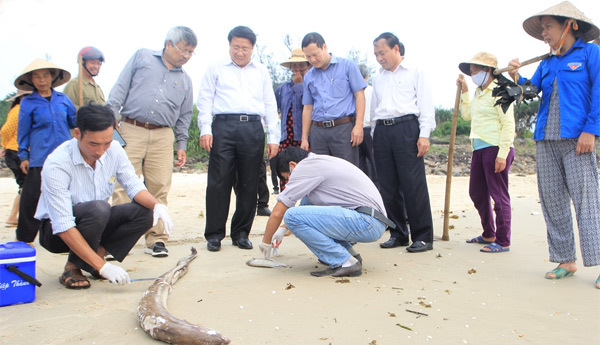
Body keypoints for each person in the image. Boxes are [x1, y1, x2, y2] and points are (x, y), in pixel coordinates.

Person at [507, 2, 600, 288]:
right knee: (553, 201)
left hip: (577, 139)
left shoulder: (590, 53)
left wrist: (591, 131)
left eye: (548, 26)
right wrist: (515, 78)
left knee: (587, 203)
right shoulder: (547, 62)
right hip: (546, 139)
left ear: (569, 25)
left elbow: (599, 92)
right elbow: (532, 91)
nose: (544, 33)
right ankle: (565, 259)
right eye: (543, 28)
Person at [36, 105, 174, 289]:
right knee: (99, 209)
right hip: (55, 232)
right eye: (93, 144)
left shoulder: (114, 150)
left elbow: (133, 186)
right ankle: (73, 267)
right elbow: (62, 224)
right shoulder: (57, 164)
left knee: (145, 212)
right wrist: (105, 267)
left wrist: (157, 205)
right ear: (77, 133)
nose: (100, 151)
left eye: (106, 143)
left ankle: (96, 258)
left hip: (97, 224)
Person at [107, 26, 196, 257]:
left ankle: (157, 239)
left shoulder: (186, 80)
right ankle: (114, 241)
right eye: (183, 50)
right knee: (123, 186)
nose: (186, 56)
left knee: (159, 187)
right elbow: (120, 87)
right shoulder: (142, 57)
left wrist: (182, 145)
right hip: (130, 128)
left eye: (191, 52)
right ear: (168, 45)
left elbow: (185, 116)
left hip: (163, 135)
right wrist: (109, 120)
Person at [197, 26, 279, 252]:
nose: (240, 52)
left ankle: (241, 232)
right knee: (218, 182)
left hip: (253, 128)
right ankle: (214, 234)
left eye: (245, 48)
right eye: (236, 47)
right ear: (229, 45)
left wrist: (273, 137)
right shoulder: (216, 68)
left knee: (249, 182)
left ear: (252, 48)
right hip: (222, 126)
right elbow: (204, 100)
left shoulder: (261, 71)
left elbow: (270, 104)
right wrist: (206, 129)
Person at [258, 147, 394, 277]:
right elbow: (306, 207)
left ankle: (344, 262)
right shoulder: (320, 162)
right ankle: (350, 255)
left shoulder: (305, 167)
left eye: (288, 178)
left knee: (291, 216)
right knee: (307, 201)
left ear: (292, 165)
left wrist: (266, 243)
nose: (290, 182)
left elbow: (278, 212)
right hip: (373, 221)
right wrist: (283, 229)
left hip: (366, 222)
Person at [371, 32, 436, 252]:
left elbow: (426, 106)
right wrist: (374, 134)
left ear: (396, 48)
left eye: (382, 52)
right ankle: (398, 233)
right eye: (376, 54)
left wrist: (424, 133)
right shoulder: (378, 77)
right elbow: (374, 108)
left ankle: (423, 236)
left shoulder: (415, 72)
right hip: (382, 131)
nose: (379, 58)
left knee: (412, 184)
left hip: (407, 128)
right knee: (387, 186)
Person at [457, 52, 516, 253]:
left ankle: (502, 240)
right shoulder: (478, 93)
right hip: (478, 148)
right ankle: (488, 233)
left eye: (476, 71)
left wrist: (502, 154)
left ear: (488, 70)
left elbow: (508, 124)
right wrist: (465, 91)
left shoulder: (501, 90)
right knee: (477, 192)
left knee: (498, 196)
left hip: (495, 147)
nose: (473, 74)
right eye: (471, 72)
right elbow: (466, 116)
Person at [14, 59, 76, 243]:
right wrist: (23, 155)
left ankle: (65, 235)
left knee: (66, 195)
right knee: (31, 197)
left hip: (65, 156)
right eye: (37, 76)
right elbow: (23, 131)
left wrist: (81, 114)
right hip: (40, 157)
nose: (42, 80)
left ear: (53, 77)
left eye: (46, 75)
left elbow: (73, 122)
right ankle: (24, 238)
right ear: (31, 80)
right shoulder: (28, 103)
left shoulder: (63, 100)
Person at [300, 32, 366, 166]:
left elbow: (359, 96)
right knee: (321, 174)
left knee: (347, 173)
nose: (312, 60)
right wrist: (304, 138)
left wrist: (358, 125)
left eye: (315, 54)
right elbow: (307, 108)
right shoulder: (308, 76)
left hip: (343, 129)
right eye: (308, 56)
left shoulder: (347, 66)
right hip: (318, 132)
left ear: (324, 47)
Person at [275, 48, 311, 192]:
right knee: (284, 168)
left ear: (308, 65)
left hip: (303, 137)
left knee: (304, 171)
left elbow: (307, 105)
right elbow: (276, 109)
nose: (297, 69)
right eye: (294, 65)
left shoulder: (310, 85)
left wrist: (299, 85)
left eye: (301, 65)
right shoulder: (282, 88)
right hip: (286, 137)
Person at [0, 90, 30, 227]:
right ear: (22, 98)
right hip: (16, 151)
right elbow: (6, 130)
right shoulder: (19, 110)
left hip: (16, 150)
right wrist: (5, 145)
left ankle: (15, 216)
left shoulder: (23, 109)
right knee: (26, 185)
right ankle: (14, 216)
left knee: (25, 185)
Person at [357, 64, 379, 187]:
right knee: (367, 164)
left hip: (367, 130)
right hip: (361, 130)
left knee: (369, 165)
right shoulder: (355, 92)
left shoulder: (370, 91)